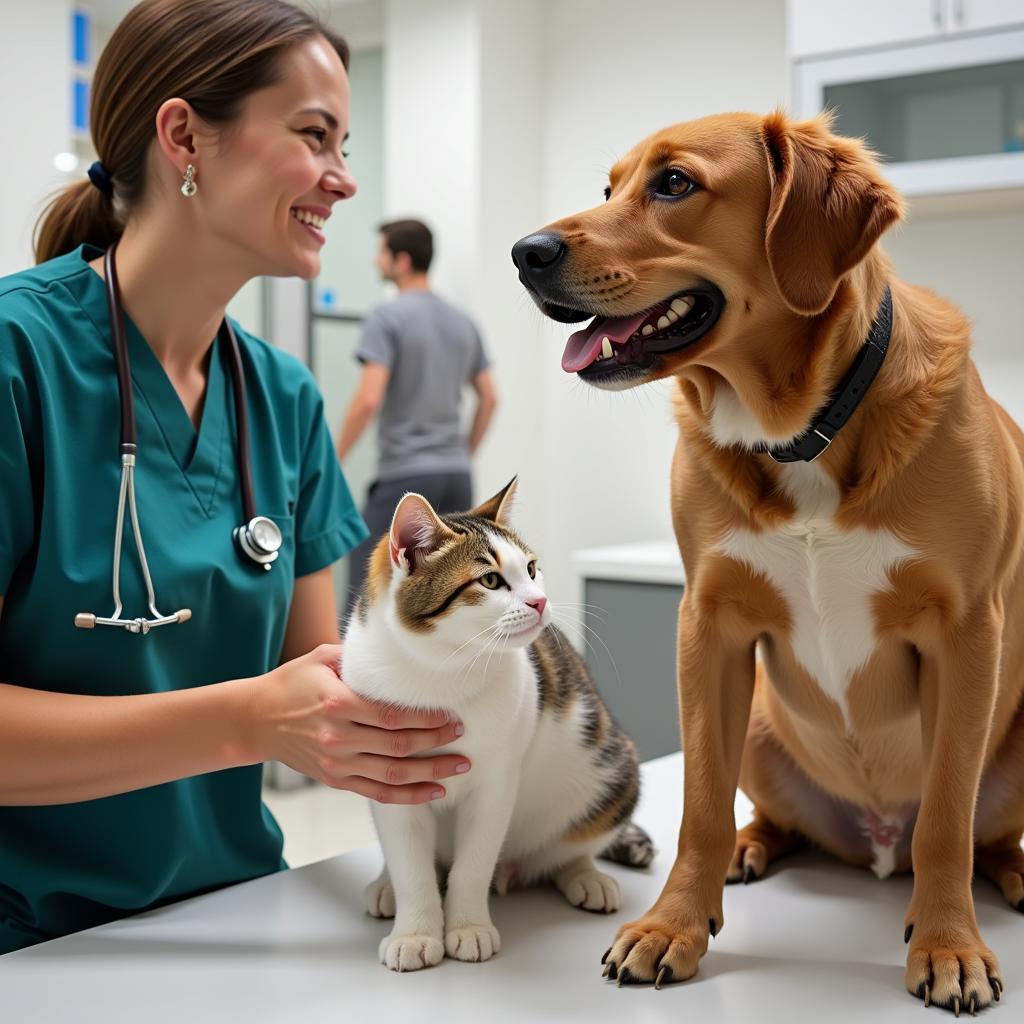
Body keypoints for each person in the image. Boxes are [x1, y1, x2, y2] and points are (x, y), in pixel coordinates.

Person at [0, 0, 472, 956]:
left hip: (234, 919)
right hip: (33, 942)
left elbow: (319, 693)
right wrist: (247, 722)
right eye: (314, 135)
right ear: (185, 137)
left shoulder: (285, 400)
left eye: (345, 143)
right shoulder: (18, 358)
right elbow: (270, 714)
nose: (343, 180)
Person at [336, 219, 498, 615]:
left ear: (402, 261)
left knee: (367, 591)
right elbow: (490, 397)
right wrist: (462, 452)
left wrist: (331, 458)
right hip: (456, 477)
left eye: (382, 253)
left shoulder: (386, 317)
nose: (377, 262)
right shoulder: (464, 322)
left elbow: (368, 400)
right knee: (448, 599)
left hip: (405, 480)